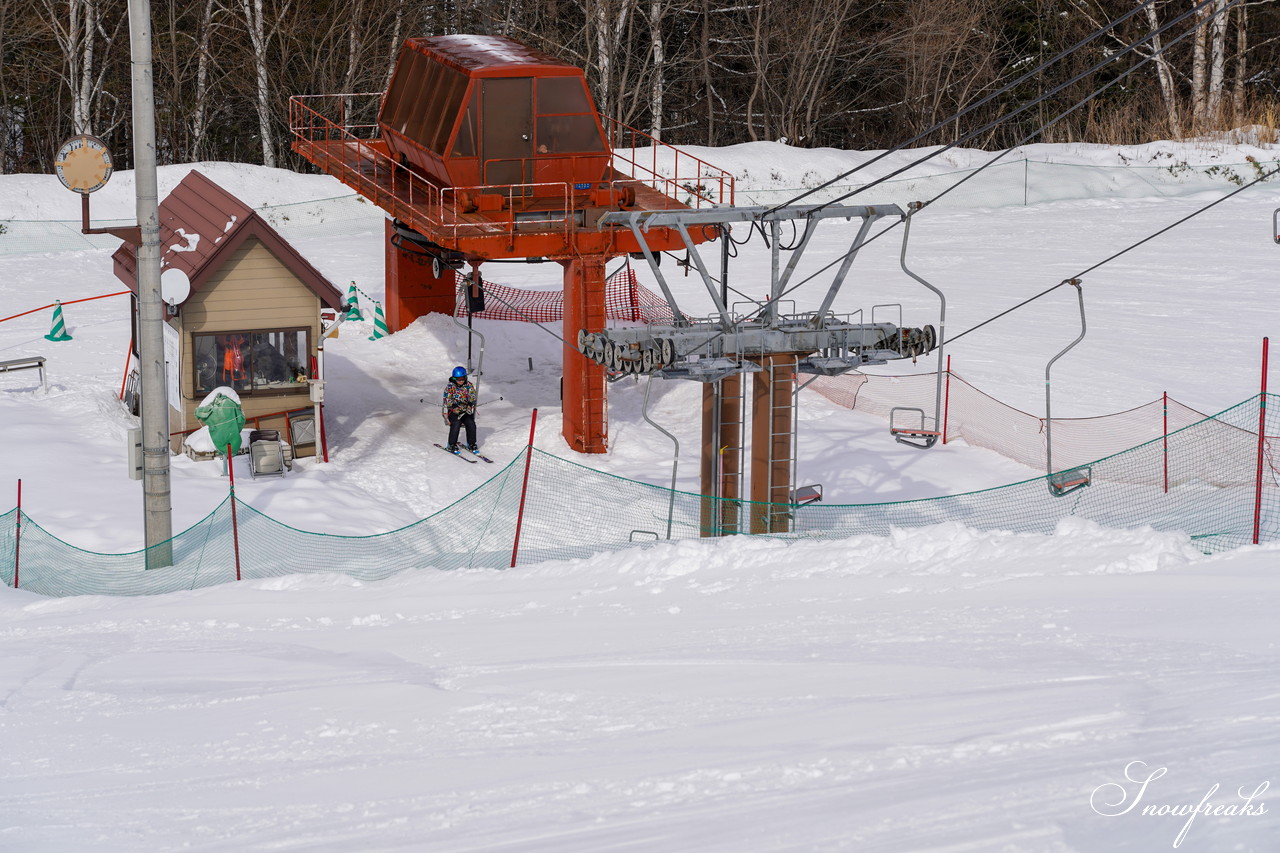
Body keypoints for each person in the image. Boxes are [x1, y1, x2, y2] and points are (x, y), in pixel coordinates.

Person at [442, 365, 478, 452]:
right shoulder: (450, 387)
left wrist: (470, 403)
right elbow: (447, 398)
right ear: (454, 379)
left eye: (462, 378)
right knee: (456, 423)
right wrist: (453, 406)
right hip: (454, 411)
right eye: (458, 379)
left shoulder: (468, 385)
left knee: (471, 423)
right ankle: (451, 444)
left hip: (465, 410)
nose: (461, 381)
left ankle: (471, 443)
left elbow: (472, 395)